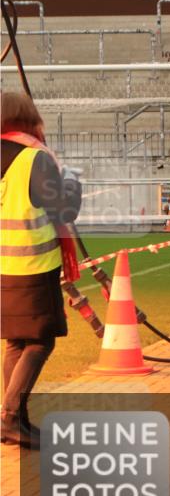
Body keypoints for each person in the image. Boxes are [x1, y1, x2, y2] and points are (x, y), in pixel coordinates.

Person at [1, 92, 81, 448]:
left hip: (3, 266)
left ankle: (17, 421)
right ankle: (9, 417)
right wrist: (73, 181)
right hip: (31, 265)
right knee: (39, 339)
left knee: (17, 341)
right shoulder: (34, 158)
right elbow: (63, 210)